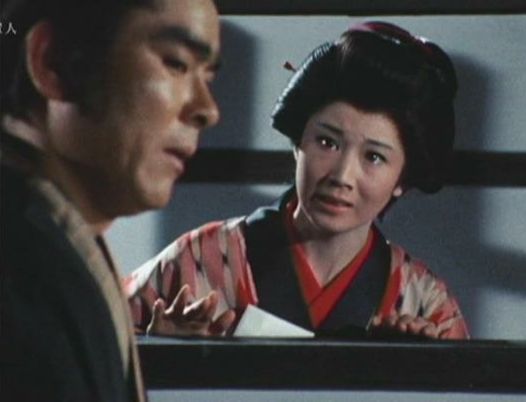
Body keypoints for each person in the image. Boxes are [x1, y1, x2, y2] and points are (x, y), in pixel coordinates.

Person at [125, 21, 469, 340]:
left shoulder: (425, 304)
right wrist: (156, 349)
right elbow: (101, 352)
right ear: (297, 142)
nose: (342, 176)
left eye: (374, 157)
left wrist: (417, 371)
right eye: (327, 142)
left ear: (402, 179)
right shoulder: (199, 259)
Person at [0, 0, 222, 400]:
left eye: (208, 76)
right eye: (176, 63)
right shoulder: (20, 260)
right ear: (51, 62)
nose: (207, 110)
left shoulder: (55, 240)